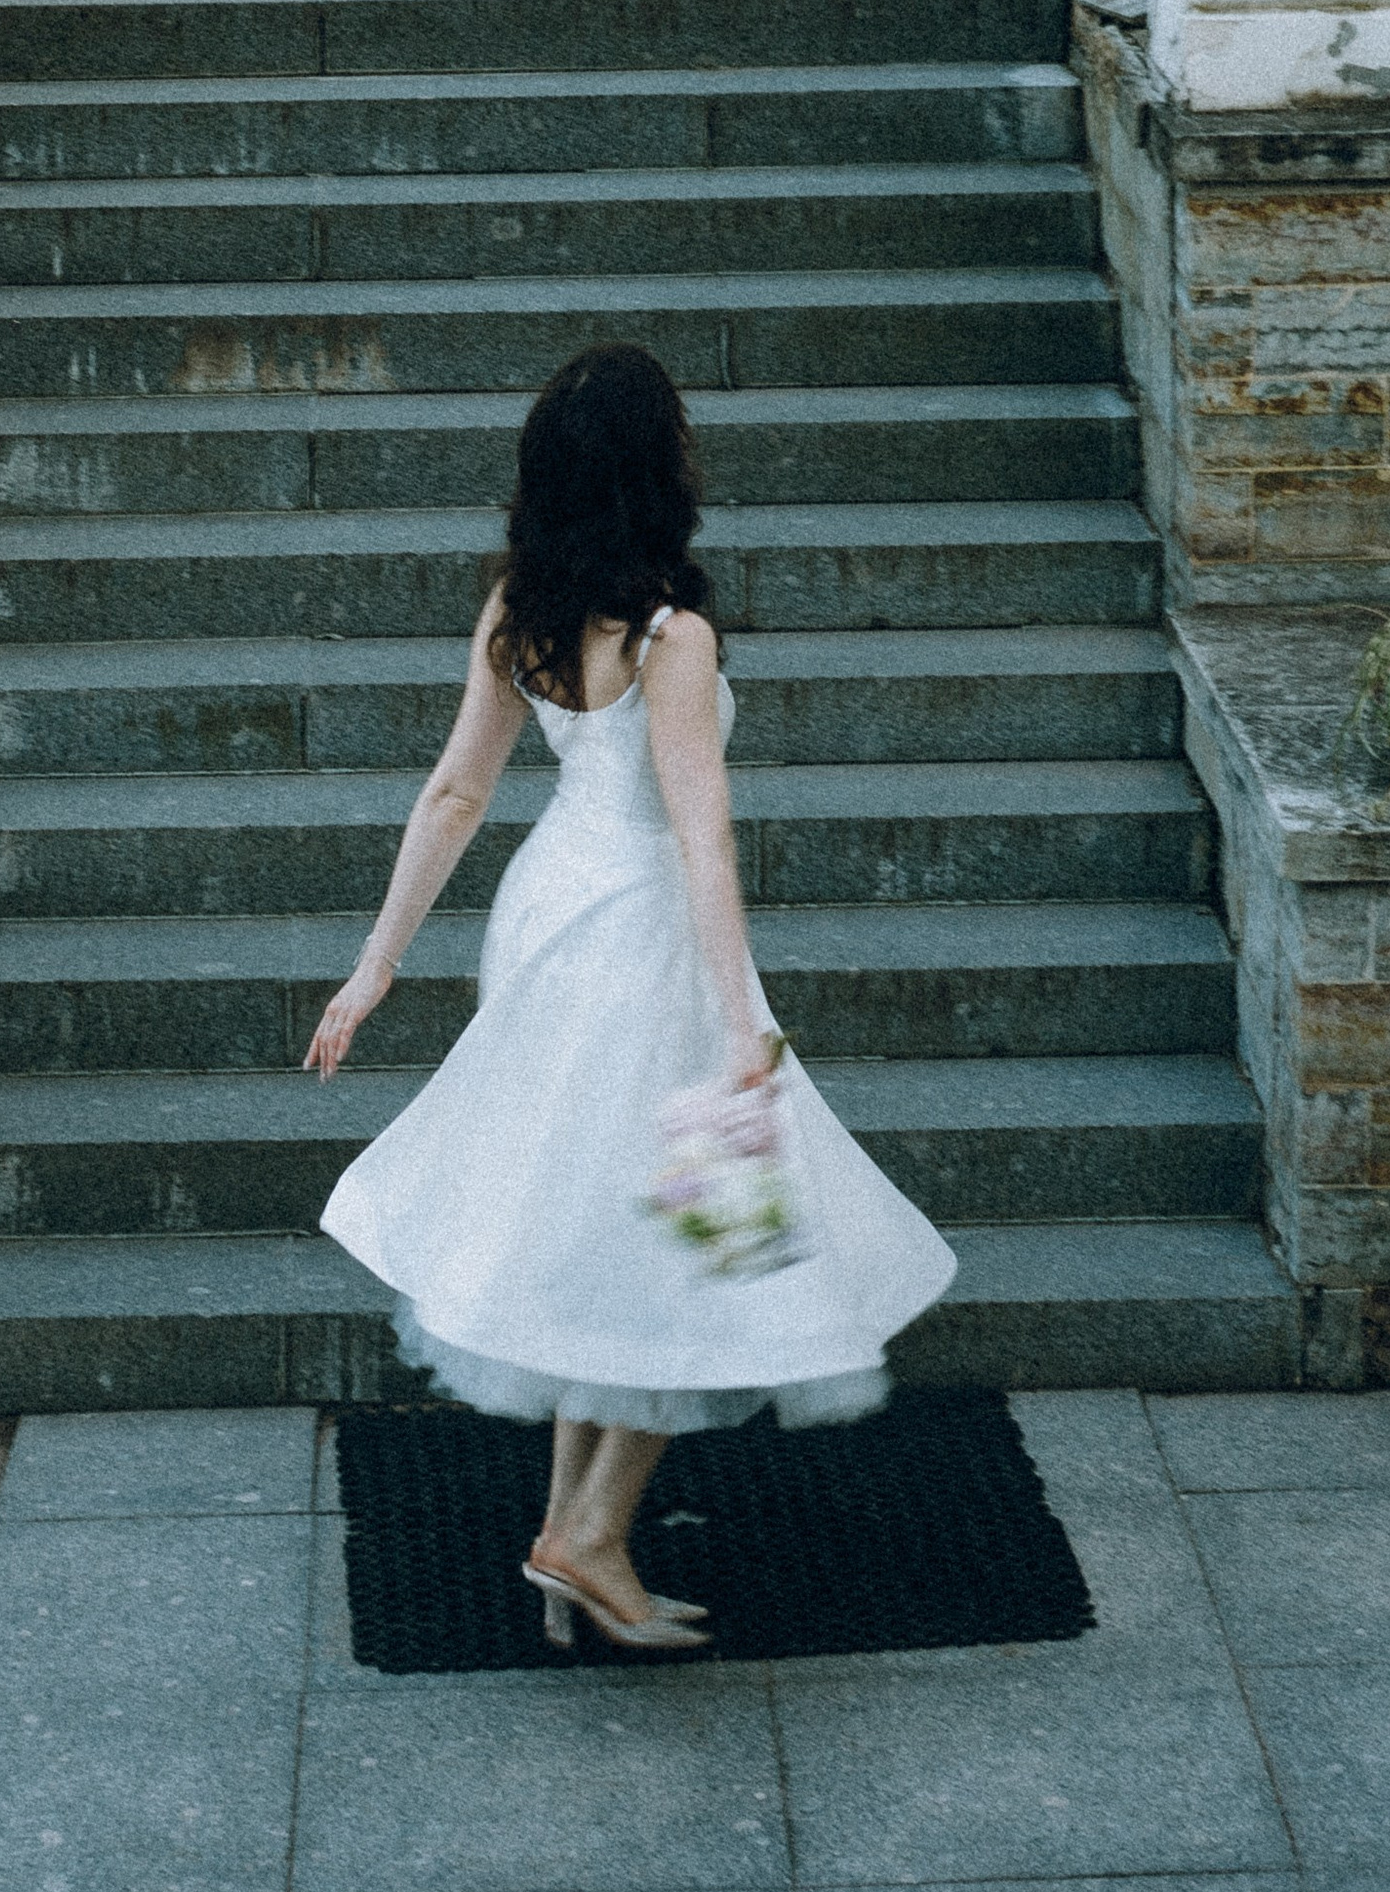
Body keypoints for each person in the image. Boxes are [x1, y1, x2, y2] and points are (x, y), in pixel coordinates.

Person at [309, 343, 957, 1657]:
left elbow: (455, 792)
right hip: (649, 939)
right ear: (659, 472)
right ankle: (589, 1534)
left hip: (552, 920)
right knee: (703, 1250)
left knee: (609, 1235)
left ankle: (571, 1542)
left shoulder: (520, 609)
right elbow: (702, 837)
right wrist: (740, 1027)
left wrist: (378, 961)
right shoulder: (671, 635)